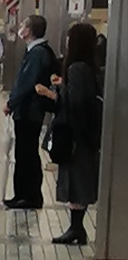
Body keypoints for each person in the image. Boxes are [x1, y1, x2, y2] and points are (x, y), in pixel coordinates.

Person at [39, 20, 103, 246]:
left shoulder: (76, 68)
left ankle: (76, 229)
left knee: (76, 181)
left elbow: (75, 102)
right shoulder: (90, 68)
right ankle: (77, 228)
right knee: (80, 180)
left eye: (69, 37)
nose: (66, 40)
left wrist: (53, 93)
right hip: (86, 135)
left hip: (75, 136)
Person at [6, 14, 56, 210]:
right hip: (29, 110)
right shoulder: (37, 51)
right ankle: (24, 195)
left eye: (23, 25)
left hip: (29, 111)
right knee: (26, 152)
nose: (20, 28)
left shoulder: (37, 53)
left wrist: (11, 103)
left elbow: (26, 83)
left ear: (29, 30)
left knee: (26, 153)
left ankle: (29, 196)